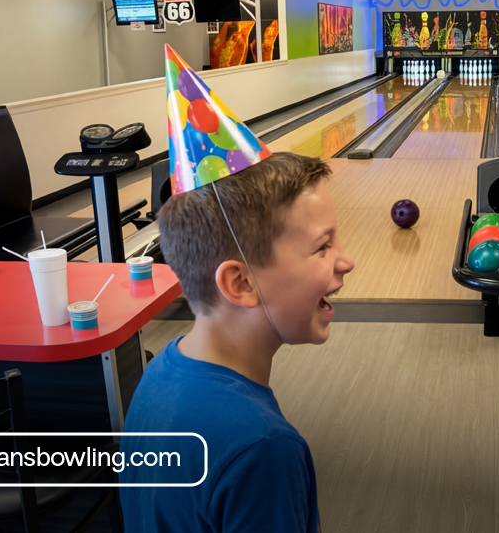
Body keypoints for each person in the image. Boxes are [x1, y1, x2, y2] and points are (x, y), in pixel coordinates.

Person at [119, 153, 355, 532]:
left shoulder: (159, 371)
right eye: (322, 246)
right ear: (241, 284)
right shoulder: (262, 448)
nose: (347, 260)